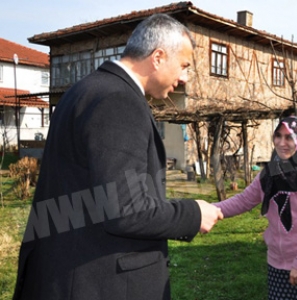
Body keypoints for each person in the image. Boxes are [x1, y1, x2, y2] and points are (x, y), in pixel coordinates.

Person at [13, 14, 223, 300]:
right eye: (184, 65)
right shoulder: (118, 100)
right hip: (99, 282)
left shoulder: (85, 91)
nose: (184, 77)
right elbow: (125, 209)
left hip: (71, 271)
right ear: (158, 57)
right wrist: (193, 213)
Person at [213, 116, 297, 299]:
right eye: (278, 136)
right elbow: (244, 200)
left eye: (289, 137)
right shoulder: (269, 173)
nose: (282, 143)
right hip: (276, 264)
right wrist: (210, 210)